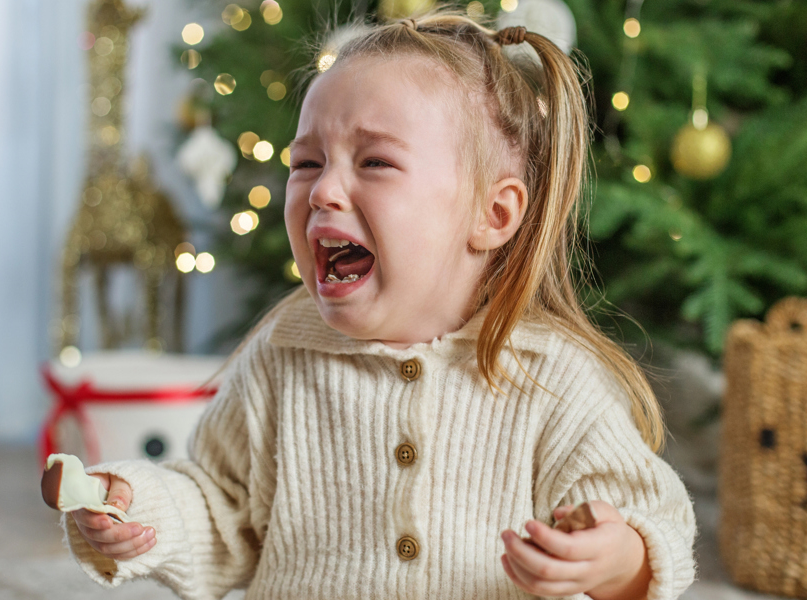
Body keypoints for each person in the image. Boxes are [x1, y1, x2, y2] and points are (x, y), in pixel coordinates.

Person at [63, 7, 696, 600]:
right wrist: (141, 509)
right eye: (306, 163)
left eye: (374, 162)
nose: (323, 191)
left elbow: (652, 522)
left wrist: (615, 559)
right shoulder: (284, 353)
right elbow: (221, 508)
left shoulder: (553, 378)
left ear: (493, 214)